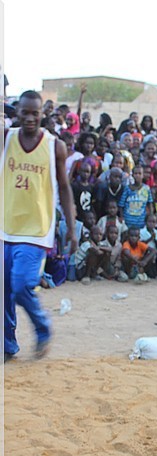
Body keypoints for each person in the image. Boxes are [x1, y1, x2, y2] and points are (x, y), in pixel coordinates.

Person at [1, 90, 77, 360]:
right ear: (17, 112)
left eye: (36, 113)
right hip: (5, 226)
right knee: (4, 291)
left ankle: (43, 328)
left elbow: (65, 188)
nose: (30, 118)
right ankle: (8, 345)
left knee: (21, 285)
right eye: (25, 112)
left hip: (36, 230)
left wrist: (70, 224)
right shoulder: (6, 139)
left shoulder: (54, 146)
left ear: (43, 114)